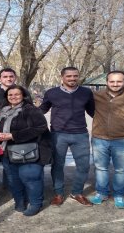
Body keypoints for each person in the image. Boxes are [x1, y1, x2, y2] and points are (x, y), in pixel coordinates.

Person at [88, 71, 124, 209]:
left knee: (121, 170)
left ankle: (119, 194)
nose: (115, 84)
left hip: (123, 140)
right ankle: (102, 193)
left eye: (119, 81)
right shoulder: (97, 96)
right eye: (112, 81)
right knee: (100, 168)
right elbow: (91, 110)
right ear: (107, 81)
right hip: (99, 139)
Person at [39, 67, 95, 207]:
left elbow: (93, 112)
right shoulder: (52, 93)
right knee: (57, 165)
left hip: (80, 134)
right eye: (69, 76)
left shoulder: (86, 92)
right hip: (58, 134)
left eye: (75, 76)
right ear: (62, 77)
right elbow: (42, 110)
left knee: (83, 166)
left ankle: (77, 192)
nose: (72, 79)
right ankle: (58, 193)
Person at [0, 85, 51, 216]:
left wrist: (13, 135)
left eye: (17, 94)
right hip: (8, 152)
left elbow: (41, 127)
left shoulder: (31, 110)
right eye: (10, 95)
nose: (13, 97)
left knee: (30, 178)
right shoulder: (3, 111)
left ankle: (36, 203)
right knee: (14, 179)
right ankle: (19, 201)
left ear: (23, 95)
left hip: (30, 151)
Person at [0, 68, 31, 188]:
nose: (8, 79)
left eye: (11, 76)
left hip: (15, 134)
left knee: (11, 161)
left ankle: (10, 186)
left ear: (15, 77)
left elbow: (29, 110)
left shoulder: (23, 92)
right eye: (5, 76)